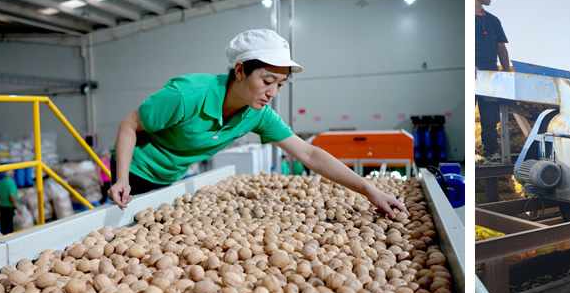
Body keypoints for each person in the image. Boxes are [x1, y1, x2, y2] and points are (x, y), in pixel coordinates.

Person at [105, 29, 407, 220]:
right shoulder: (187, 95)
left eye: (281, 84)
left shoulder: (257, 113)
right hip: (135, 170)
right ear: (240, 70)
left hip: (171, 174)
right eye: (267, 80)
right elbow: (129, 124)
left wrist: (369, 190)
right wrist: (121, 180)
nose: (272, 93)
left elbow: (309, 155)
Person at [475, 0, 511, 160]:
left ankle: (491, 151)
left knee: (489, 116)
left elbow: (501, 48)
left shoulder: (493, 21)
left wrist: (506, 73)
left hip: (489, 74)